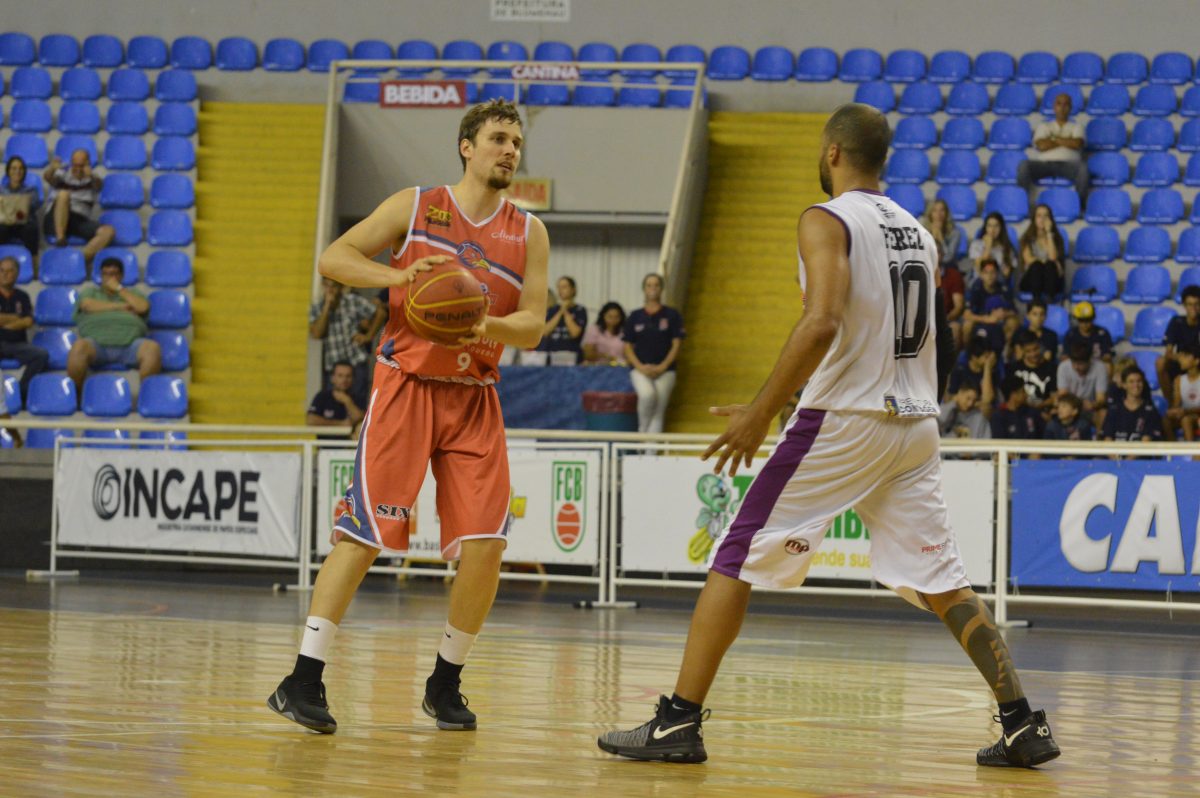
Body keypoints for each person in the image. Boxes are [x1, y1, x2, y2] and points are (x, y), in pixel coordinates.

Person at [597, 103, 1059, 769]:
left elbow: (822, 321)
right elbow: (932, 337)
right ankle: (1021, 723)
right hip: (914, 422)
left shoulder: (826, 218)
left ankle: (677, 722)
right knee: (943, 579)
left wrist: (763, 411)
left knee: (735, 553)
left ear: (832, 151)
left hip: (845, 419)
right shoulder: (920, 233)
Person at [267, 99, 549, 736]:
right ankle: (302, 679)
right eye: (498, 138)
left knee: (487, 546)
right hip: (406, 386)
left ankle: (445, 683)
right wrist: (397, 276)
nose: (510, 150)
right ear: (466, 146)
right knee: (365, 534)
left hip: (474, 395)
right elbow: (334, 258)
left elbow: (532, 325)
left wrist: (484, 323)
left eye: (516, 141)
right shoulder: (416, 205)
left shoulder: (529, 231)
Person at [67, 257, 160, 392]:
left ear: (121, 276)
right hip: (96, 345)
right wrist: (121, 306)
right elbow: (87, 305)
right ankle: (75, 396)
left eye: (114, 274)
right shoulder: (91, 292)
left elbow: (142, 307)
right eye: (105, 274)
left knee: (152, 348)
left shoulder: (133, 293)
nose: (109, 278)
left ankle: (147, 396)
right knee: (78, 347)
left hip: (130, 346)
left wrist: (119, 289)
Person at [624, 273, 685, 433]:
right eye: (649, 285)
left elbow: (676, 344)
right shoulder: (635, 316)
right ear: (644, 289)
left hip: (666, 370)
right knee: (647, 395)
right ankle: (642, 432)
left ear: (661, 288)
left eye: (656, 285)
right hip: (640, 368)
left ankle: (651, 447)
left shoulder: (672, 315)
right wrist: (640, 367)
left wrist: (663, 366)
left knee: (659, 409)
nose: (653, 288)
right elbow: (627, 346)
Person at [309, 277, 376, 405]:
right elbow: (317, 334)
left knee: (358, 404)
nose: (330, 290)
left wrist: (369, 335)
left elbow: (379, 312)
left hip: (356, 362)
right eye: (327, 286)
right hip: (334, 367)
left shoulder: (352, 301)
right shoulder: (317, 308)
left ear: (341, 287)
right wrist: (327, 307)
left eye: (333, 286)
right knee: (333, 404)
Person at [42, 150, 115, 266]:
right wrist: (52, 168)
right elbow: (48, 177)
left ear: (87, 164)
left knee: (108, 231)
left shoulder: (93, 178)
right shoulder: (63, 172)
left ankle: (77, 262)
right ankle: (61, 239)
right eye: (75, 165)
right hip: (55, 219)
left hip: (79, 220)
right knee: (63, 195)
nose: (78, 169)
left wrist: (91, 175)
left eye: (81, 165)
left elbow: (99, 185)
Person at [1017, 92, 1088, 206]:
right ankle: (1021, 204)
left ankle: (1079, 206)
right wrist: (1066, 140)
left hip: (1069, 165)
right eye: (1059, 104)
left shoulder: (1077, 126)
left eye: (1066, 104)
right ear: (1054, 107)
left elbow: (1077, 143)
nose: (1062, 108)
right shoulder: (1044, 126)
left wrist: (1052, 139)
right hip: (1044, 164)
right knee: (1023, 166)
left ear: (1070, 108)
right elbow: (1041, 146)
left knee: (1083, 169)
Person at [0, 256, 48, 402]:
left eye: (9, 271)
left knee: (41, 355)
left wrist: (5, 321)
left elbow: (28, 322)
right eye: (1, 270)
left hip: (17, 344)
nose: (5, 274)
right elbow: (21, 319)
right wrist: (15, 318)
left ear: (17, 274)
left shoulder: (23, 296)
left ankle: (21, 393)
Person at [961, 257, 1016, 354]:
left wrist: (1004, 313)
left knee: (1013, 322)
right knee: (967, 325)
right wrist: (987, 319)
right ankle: (968, 353)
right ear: (981, 274)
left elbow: (1014, 311)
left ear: (997, 274)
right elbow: (966, 315)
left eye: (993, 272)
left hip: (999, 321)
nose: (990, 276)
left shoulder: (1004, 288)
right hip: (981, 320)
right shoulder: (975, 288)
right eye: (986, 273)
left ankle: (1005, 353)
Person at [1157, 286, 1200, 395]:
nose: (1193, 308)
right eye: (1190, 304)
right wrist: (1180, 358)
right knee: (1160, 363)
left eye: (1197, 304)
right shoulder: (1176, 322)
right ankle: (1171, 402)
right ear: (1184, 305)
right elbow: (1168, 352)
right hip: (1180, 362)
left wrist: (1192, 360)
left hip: (1197, 362)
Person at [1017, 204, 1065, 301]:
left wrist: (1049, 233)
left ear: (1050, 219)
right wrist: (1045, 261)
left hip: (1051, 280)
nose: (1042, 219)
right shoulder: (1026, 238)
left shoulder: (1057, 239)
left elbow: (1052, 257)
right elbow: (1029, 260)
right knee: (1036, 266)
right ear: (1034, 219)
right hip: (1032, 279)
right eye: (1039, 216)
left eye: (1045, 216)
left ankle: (1049, 301)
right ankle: (1036, 302)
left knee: (1050, 265)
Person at [1101, 367, 1162, 442]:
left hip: (1140, 450)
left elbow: (1146, 442)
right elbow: (1107, 439)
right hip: (1115, 449)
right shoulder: (1114, 410)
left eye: (1139, 381)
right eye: (1131, 381)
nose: (1136, 385)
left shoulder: (1150, 411)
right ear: (1124, 385)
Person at [306, 360, 364, 433]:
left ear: (353, 379)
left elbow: (361, 421)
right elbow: (311, 420)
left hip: (350, 440)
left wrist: (347, 401)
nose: (344, 380)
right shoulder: (322, 396)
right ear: (332, 378)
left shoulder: (358, 398)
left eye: (348, 376)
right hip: (326, 440)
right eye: (340, 376)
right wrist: (341, 424)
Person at [538, 276, 587, 362]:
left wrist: (565, 312)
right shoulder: (552, 310)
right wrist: (560, 311)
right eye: (558, 287)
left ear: (573, 289)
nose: (561, 290)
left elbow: (575, 333)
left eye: (564, 287)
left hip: (572, 356)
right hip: (552, 356)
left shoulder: (580, 310)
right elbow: (545, 332)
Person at [1056, 342, 1108, 421]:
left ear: (1089, 360)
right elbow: (1063, 395)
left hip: (1091, 407)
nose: (1076, 367)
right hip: (1070, 407)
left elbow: (1101, 398)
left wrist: (1093, 405)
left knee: (1103, 413)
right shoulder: (1063, 367)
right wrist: (1079, 404)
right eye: (1073, 363)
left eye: (1080, 364)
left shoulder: (1100, 367)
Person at [0, 156, 41, 257]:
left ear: (24, 172)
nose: (17, 171)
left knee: (31, 229)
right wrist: (19, 202)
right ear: (8, 171)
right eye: (14, 168)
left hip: (25, 224)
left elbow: (35, 205)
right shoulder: (1, 190)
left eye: (20, 168)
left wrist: (11, 203)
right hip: (6, 223)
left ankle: (33, 261)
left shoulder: (31, 190)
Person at [1008, 332, 1056, 413]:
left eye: (1036, 349)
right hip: (1019, 412)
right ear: (1022, 350)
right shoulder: (1014, 368)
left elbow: (1054, 397)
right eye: (1028, 351)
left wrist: (1037, 406)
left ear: (1040, 346)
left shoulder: (1051, 368)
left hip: (1043, 412)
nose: (1033, 354)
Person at [967, 212, 1017, 286]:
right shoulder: (976, 244)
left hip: (998, 282)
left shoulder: (1007, 247)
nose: (992, 230)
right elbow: (979, 268)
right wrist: (988, 247)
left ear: (1001, 228)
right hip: (979, 282)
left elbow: (1006, 274)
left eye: (996, 226)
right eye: (989, 226)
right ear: (985, 228)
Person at [1062, 301, 1113, 371]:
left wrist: (1089, 362)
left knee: (1108, 365)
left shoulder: (1102, 333)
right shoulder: (1071, 334)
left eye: (1088, 320)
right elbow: (1065, 357)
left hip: (1096, 366)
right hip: (1076, 366)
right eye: (1081, 320)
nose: (1085, 323)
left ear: (1093, 318)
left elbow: (1107, 356)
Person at [1164, 343, 1200, 441]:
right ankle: (1173, 448)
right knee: (1166, 420)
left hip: (1195, 415)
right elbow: (1177, 403)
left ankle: (1190, 450)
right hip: (1186, 414)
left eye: (1185, 356)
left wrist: (1186, 411)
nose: (1180, 359)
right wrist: (1174, 411)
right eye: (1181, 356)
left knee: (1186, 420)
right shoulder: (1179, 380)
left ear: (1196, 361)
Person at [946, 338, 999, 403]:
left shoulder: (991, 373)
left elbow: (988, 399)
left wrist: (987, 368)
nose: (989, 360)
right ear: (974, 357)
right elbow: (952, 397)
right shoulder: (959, 371)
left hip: (980, 408)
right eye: (986, 356)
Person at [991, 375, 1046, 439]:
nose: (1026, 395)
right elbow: (999, 442)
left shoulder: (1032, 412)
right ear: (1013, 395)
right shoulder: (999, 417)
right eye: (1023, 391)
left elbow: (1043, 436)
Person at [921, 198, 962, 271]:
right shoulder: (923, 231)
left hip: (947, 269)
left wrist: (941, 239)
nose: (938, 214)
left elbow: (948, 258)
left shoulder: (955, 233)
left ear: (947, 213)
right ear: (930, 214)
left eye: (942, 210)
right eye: (934, 210)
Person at [581, 301, 627, 365]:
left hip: (619, 366)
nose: (613, 320)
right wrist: (606, 356)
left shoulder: (625, 331)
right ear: (603, 316)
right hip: (597, 366)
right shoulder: (594, 329)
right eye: (610, 317)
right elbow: (588, 354)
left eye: (617, 317)